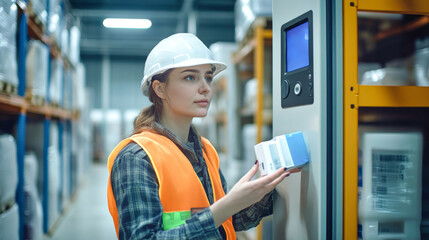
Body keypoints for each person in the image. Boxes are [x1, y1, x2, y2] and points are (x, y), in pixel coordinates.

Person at [107, 33, 299, 239]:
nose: (205, 88)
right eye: (190, 77)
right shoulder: (137, 158)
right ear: (160, 88)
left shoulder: (204, 149)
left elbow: (225, 220)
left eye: (208, 77)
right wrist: (227, 205)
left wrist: (266, 190)